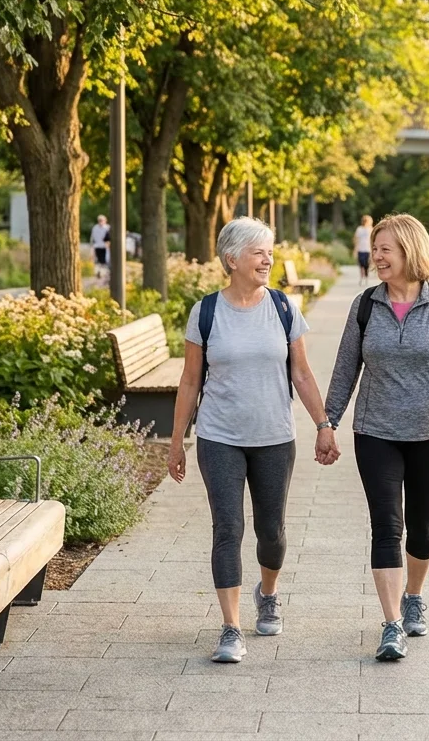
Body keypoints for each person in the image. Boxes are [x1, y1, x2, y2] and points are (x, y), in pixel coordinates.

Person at [166, 217, 338, 664]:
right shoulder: (205, 312)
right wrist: (176, 440)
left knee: (271, 531)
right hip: (220, 436)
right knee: (228, 528)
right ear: (232, 259)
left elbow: (301, 372)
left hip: (274, 437)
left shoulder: (282, 308)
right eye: (259, 252)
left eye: (270, 251)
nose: (269, 259)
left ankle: (269, 592)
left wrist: (323, 424)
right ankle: (229, 627)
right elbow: (189, 381)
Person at [325, 213, 429, 661]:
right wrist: (327, 423)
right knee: (387, 526)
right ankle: (391, 625)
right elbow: (346, 366)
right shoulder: (365, 305)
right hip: (375, 432)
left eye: (386, 248)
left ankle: (413, 595)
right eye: (376, 248)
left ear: (411, 250)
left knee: (422, 529)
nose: (378, 256)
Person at [354, 215, 374, 283]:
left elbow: (373, 240)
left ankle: (366, 276)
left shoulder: (371, 229)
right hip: (360, 249)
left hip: (368, 249)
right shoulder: (359, 229)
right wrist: (355, 250)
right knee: (361, 264)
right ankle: (362, 277)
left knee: (366, 264)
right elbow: (356, 239)